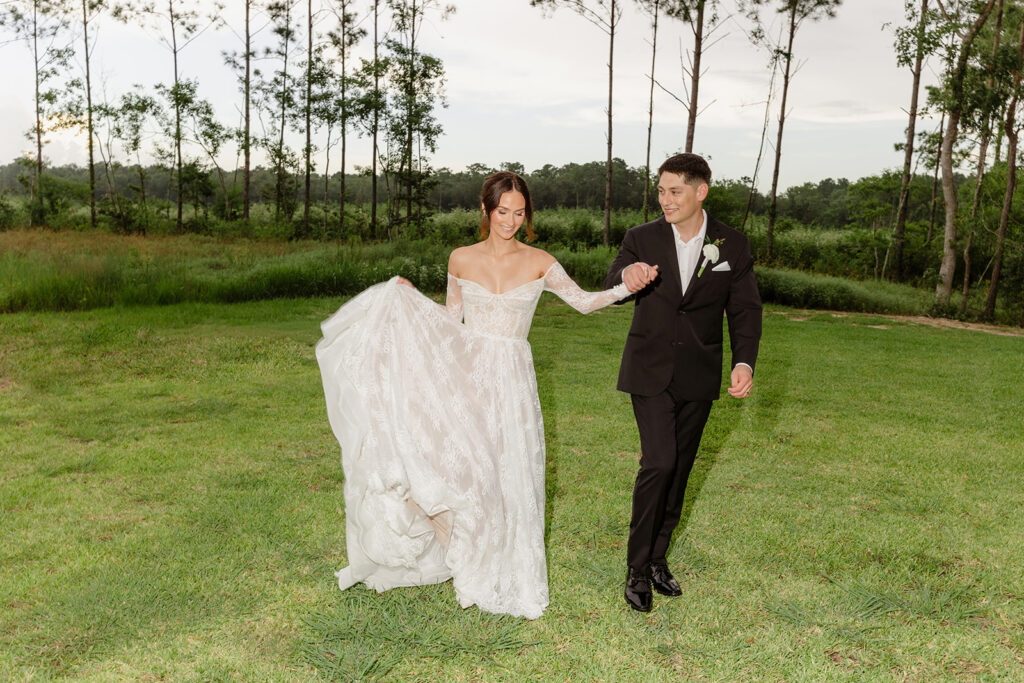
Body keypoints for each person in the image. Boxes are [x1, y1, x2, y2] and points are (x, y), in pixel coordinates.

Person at [316, 171, 652, 619]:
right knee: (454, 466)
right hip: (466, 375)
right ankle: (458, 548)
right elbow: (451, 319)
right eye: (502, 212)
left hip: (512, 382)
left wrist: (625, 288)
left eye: (518, 213)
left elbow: (583, 302)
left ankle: (490, 559)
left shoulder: (540, 261)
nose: (510, 221)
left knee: (504, 473)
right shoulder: (461, 258)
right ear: (486, 210)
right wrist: (413, 299)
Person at [604, 153, 762, 612]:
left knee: (682, 468)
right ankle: (636, 569)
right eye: (661, 190)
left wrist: (744, 362)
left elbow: (746, 309)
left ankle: (658, 559)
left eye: (675, 191)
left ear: (701, 192)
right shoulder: (641, 237)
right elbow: (614, 279)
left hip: (699, 372)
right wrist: (627, 279)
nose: (665, 199)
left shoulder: (731, 244)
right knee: (660, 462)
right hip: (648, 369)